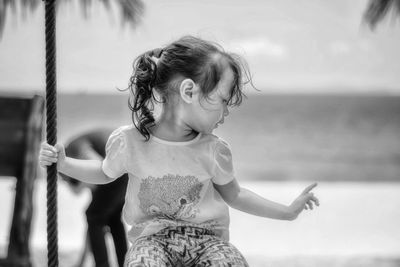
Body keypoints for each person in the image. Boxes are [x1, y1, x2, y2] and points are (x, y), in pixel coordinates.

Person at [39, 35, 320, 267]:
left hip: (209, 242)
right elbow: (103, 172)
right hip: (152, 242)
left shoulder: (214, 150)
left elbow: (236, 194)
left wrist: (287, 212)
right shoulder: (131, 142)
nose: (225, 112)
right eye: (222, 100)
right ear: (188, 91)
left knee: (231, 263)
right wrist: (64, 163)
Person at [59, 129, 128, 267]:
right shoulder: (90, 176)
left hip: (117, 169)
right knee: (112, 219)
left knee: (94, 216)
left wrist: (80, 181)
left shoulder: (75, 147)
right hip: (126, 171)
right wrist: (80, 262)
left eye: (69, 180)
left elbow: (98, 164)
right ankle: (126, 263)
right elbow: (90, 232)